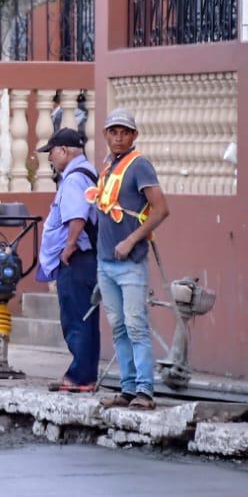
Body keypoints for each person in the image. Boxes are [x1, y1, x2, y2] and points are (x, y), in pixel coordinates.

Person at [90, 108, 170, 411]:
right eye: (113, 131)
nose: (119, 137)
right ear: (106, 135)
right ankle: (127, 387)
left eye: (124, 132)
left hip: (130, 261)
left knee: (136, 326)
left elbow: (161, 209)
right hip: (106, 262)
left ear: (133, 135)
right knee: (119, 327)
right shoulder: (109, 165)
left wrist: (131, 240)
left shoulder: (139, 166)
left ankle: (145, 391)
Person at [35, 127, 100, 393]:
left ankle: (79, 377)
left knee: (76, 318)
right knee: (85, 317)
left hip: (77, 259)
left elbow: (77, 217)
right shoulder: (86, 173)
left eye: (51, 152)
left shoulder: (74, 179)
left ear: (63, 150)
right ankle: (84, 375)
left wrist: (68, 248)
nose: (49, 158)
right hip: (85, 259)